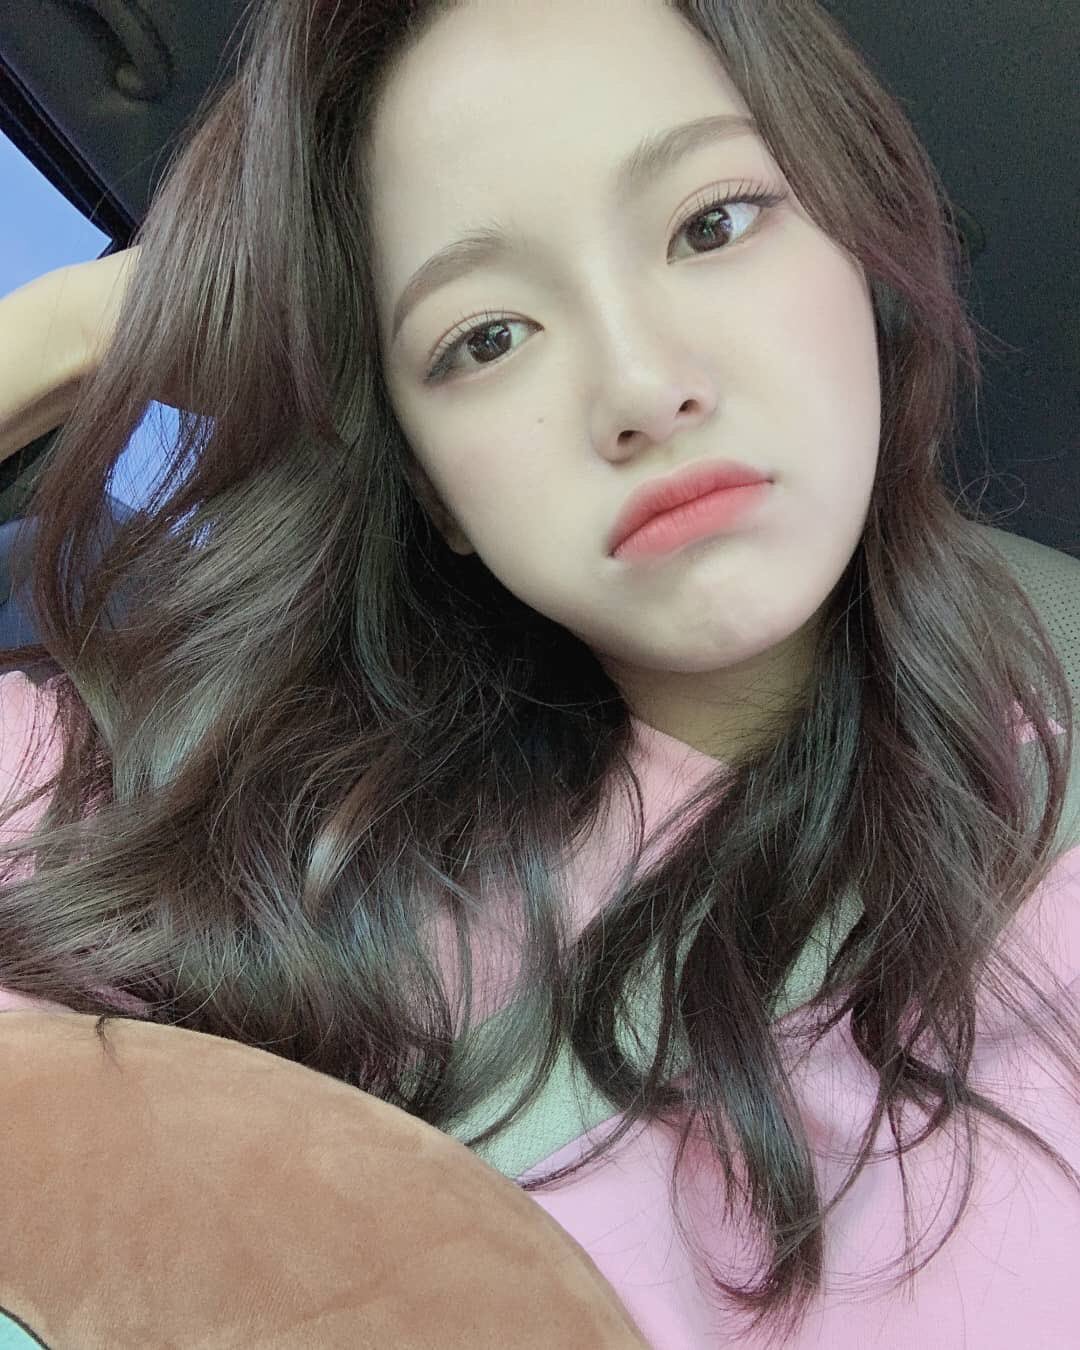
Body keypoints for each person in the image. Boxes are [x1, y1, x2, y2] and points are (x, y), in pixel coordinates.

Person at [0, 1, 1077, 1345]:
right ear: (431, 488)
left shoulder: (1045, 876)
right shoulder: (197, 803)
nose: (639, 387)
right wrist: (95, 320)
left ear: (862, 251)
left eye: (712, 224)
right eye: (486, 338)